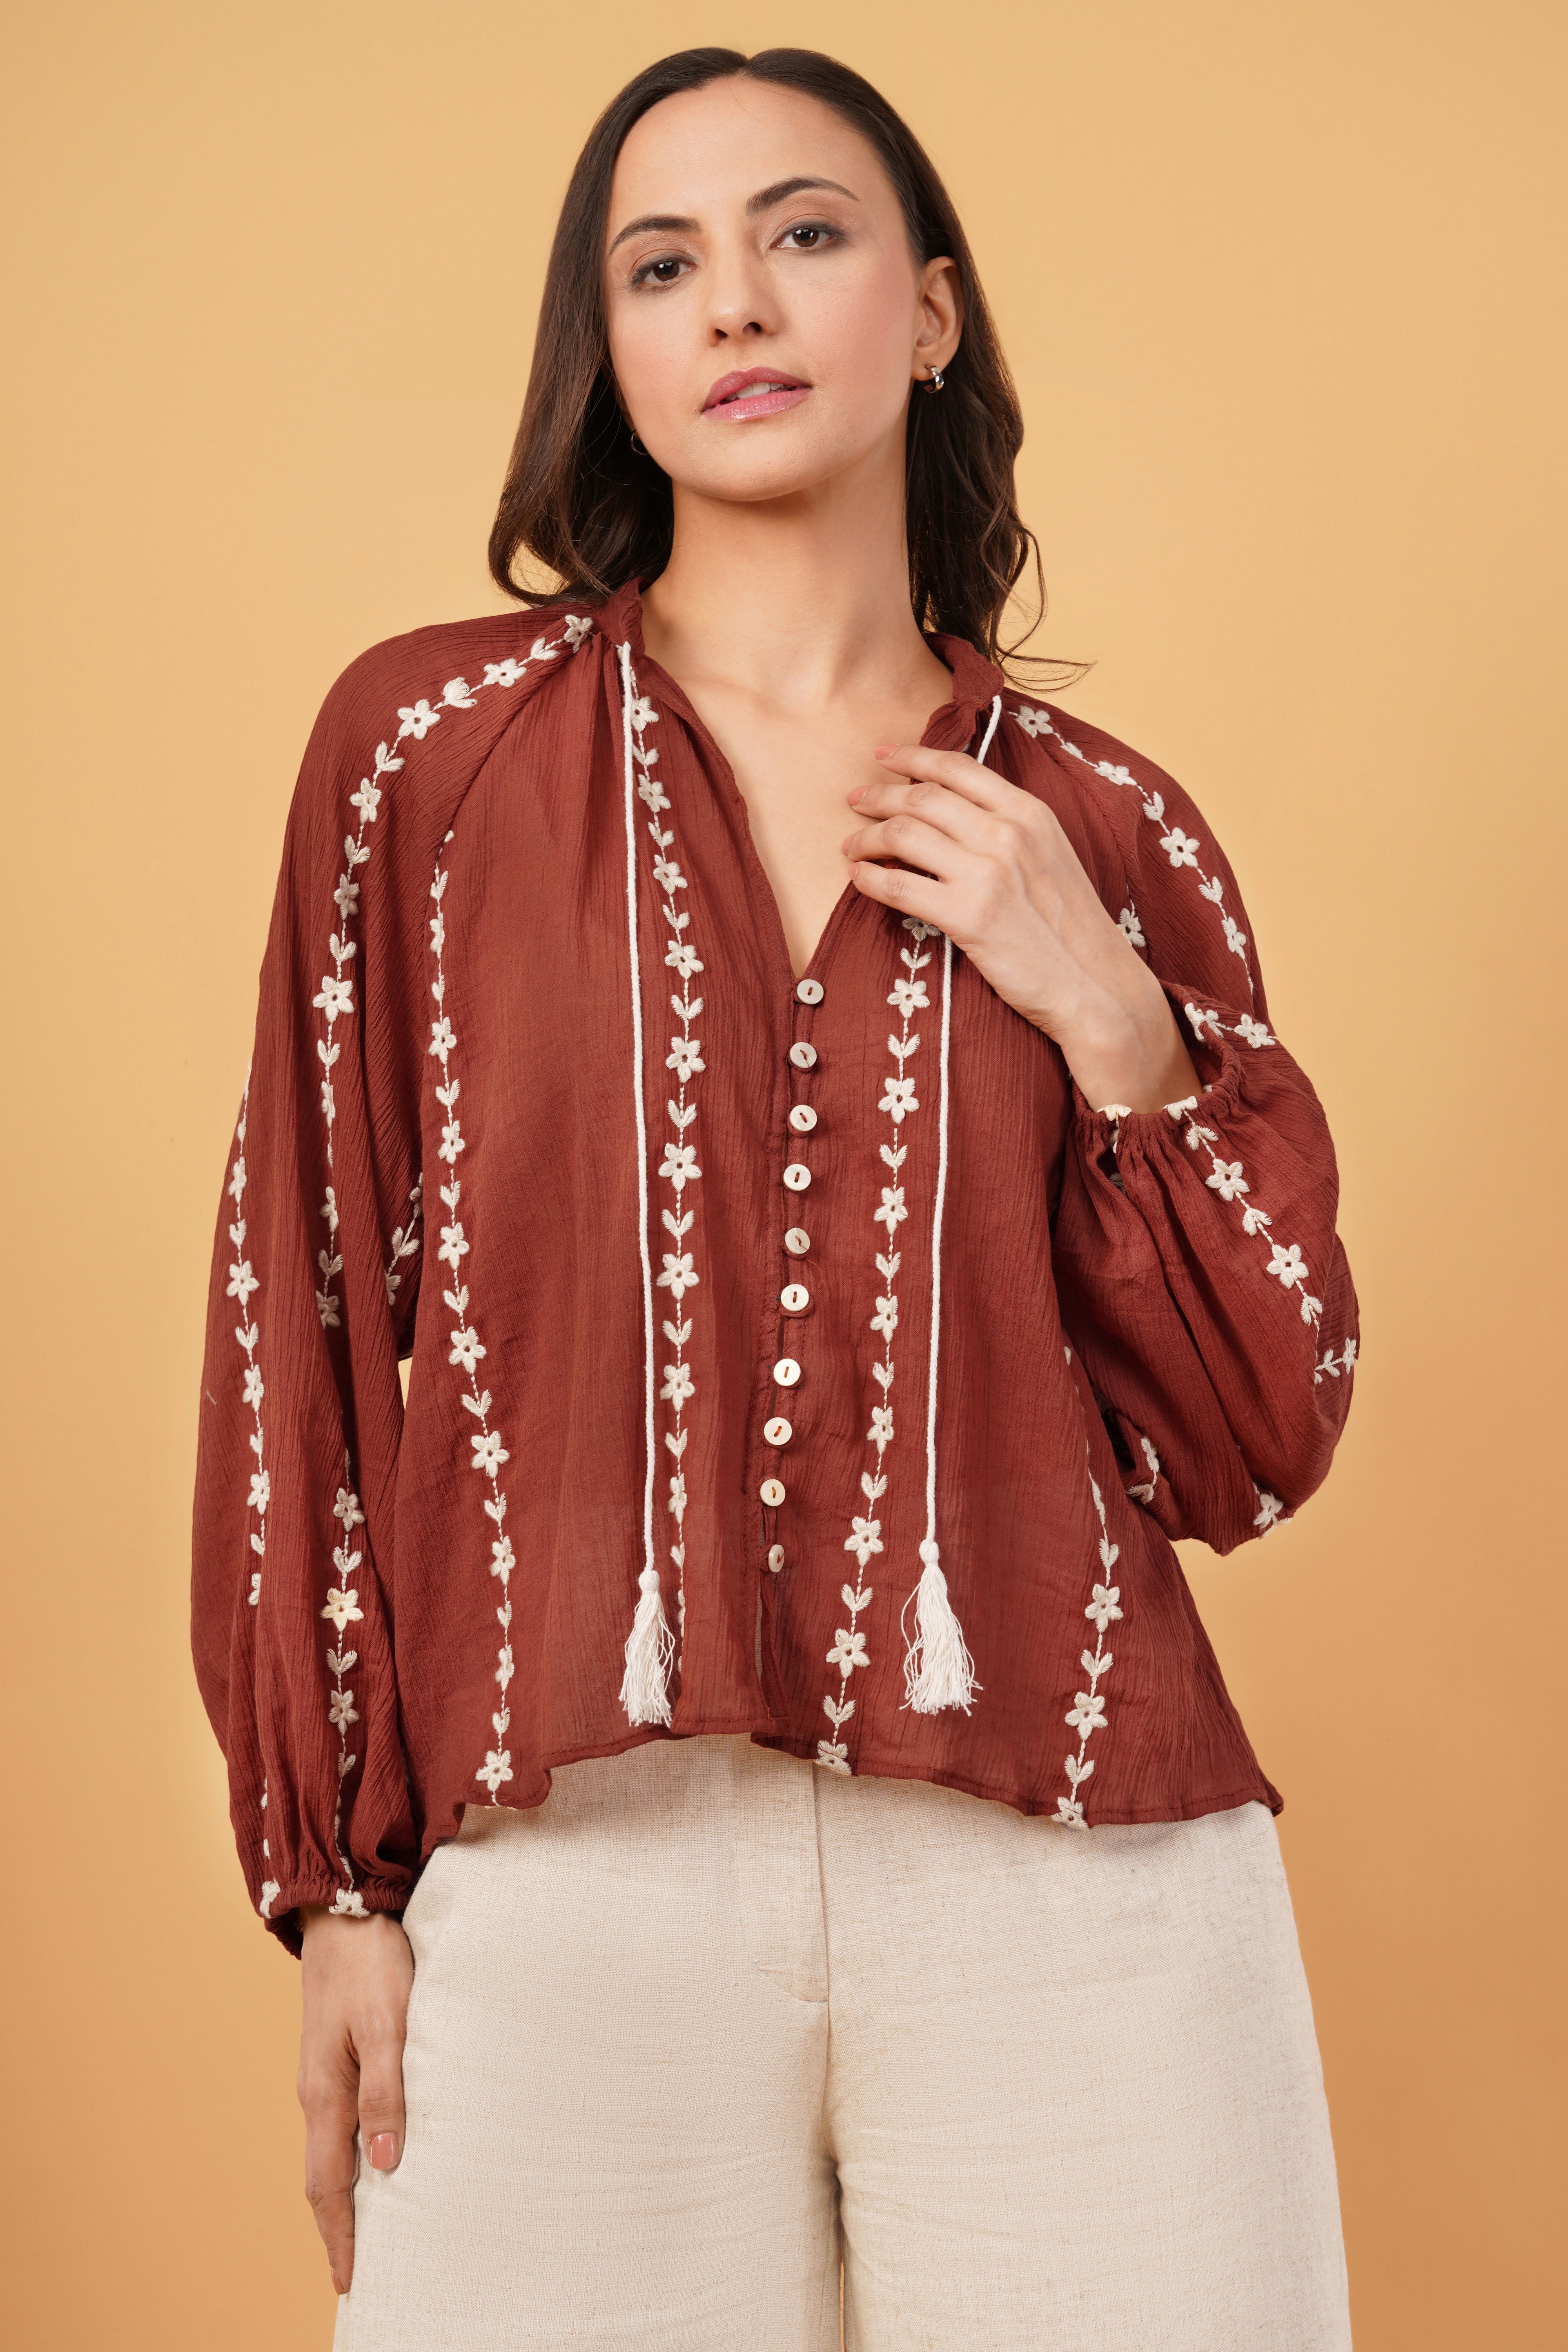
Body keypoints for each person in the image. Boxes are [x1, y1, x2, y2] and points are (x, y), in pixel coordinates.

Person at [192, 45, 1359, 2352]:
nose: (734, 302)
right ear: (607, 355)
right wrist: (334, 1886)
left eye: (803, 235)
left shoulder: (1105, 826)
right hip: (575, 1888)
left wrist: (1110, 1021)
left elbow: (1257, 1434)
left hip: (1081, 1881)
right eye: (662, 262)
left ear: (928, 314)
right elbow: (306, 1320)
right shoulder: (431, 763)